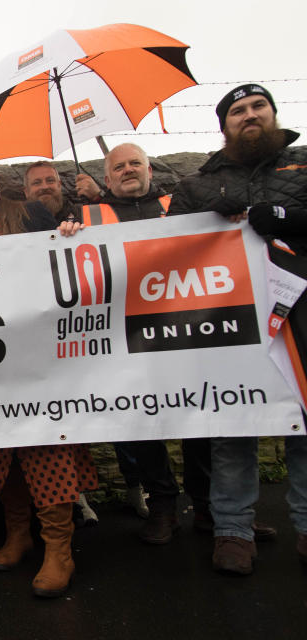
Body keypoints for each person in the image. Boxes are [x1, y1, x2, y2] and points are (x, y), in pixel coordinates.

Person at [61, 143, 277, 545]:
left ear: (148, 169)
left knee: (201, 418)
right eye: (119, 167)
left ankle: (209, 509)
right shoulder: (87, 215)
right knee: (141, 422)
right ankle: (162, 504)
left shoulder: (179, 203)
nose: (128, 171)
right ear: (106, 179)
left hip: (189, 329)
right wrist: (68, 232)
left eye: (135, 164)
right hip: (127, 336)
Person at [167, 83, 307, 575]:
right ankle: (232, 531)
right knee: (233, 426)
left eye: (257, 107)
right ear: (224, 125)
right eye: (238, 111)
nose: (249, 116)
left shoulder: (304, 166)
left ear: (273, 114)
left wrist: (288, 217)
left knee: (305, 426)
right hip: (227, 324)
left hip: (299, 317)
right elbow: (168, 248)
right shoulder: (198, 185)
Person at [0, 155, 93, 598]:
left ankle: (59, 549)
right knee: (0, 449)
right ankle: (18, 533)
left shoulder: (28, 213)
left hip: (35, 351)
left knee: (43, 444)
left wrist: (68, 232)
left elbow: (61, 255)